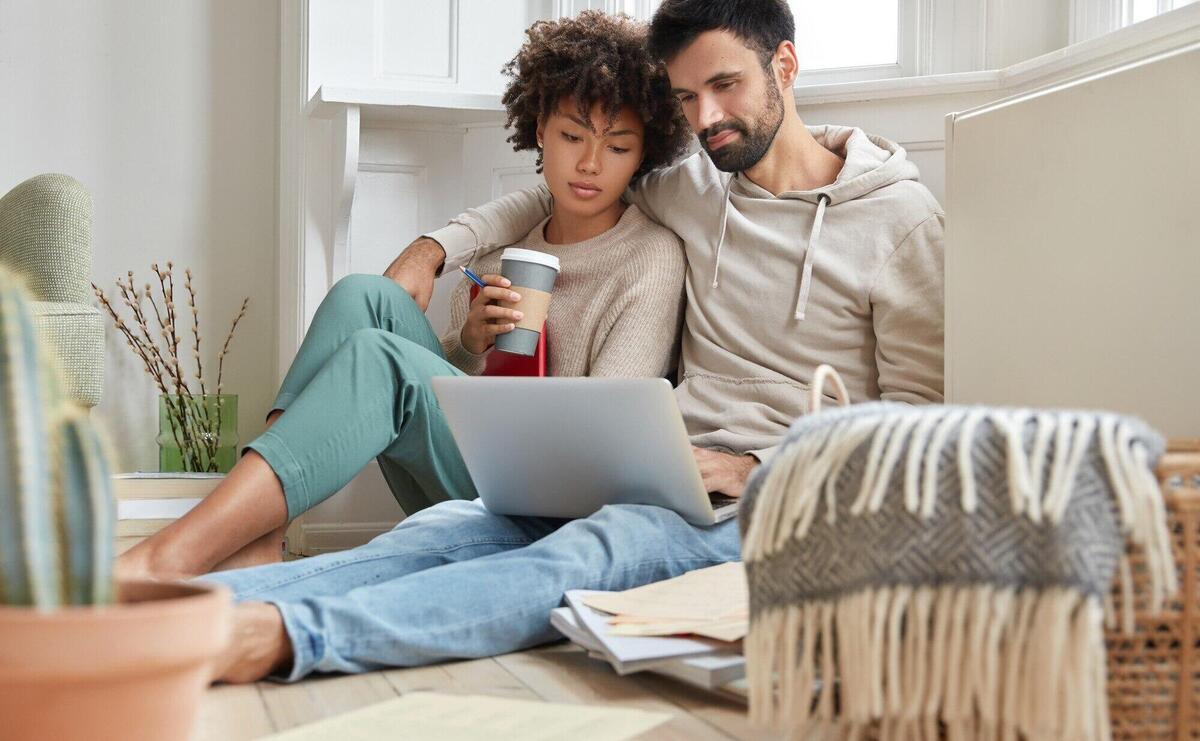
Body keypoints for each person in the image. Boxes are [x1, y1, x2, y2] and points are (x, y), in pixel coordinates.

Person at [208, 0, 946, 683]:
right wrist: (437, 245)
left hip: (777, 502)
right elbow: (555, 188)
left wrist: (758, 464)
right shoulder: (698, 182)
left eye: (725, 85)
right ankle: (205, 600)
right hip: (657, 472)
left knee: (589, 554)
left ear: (784, 66)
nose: (707, 116)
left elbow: (922, 424)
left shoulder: (900, 220)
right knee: (448, 526)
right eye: (687, 98)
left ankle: (284, 637)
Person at [117, 10, 690, 582]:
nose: (590, 164)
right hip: (475, 479)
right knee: (362, 296)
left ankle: (172, 556)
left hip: (553, 513)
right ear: (540, 129)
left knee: (381, 361)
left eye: (618, 147)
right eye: (572, 136)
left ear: (644, 155)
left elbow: (607, 446)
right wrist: (468, 346)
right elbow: (444, 398)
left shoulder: (651, 258)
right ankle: (260, 533)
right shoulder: (504, 252)